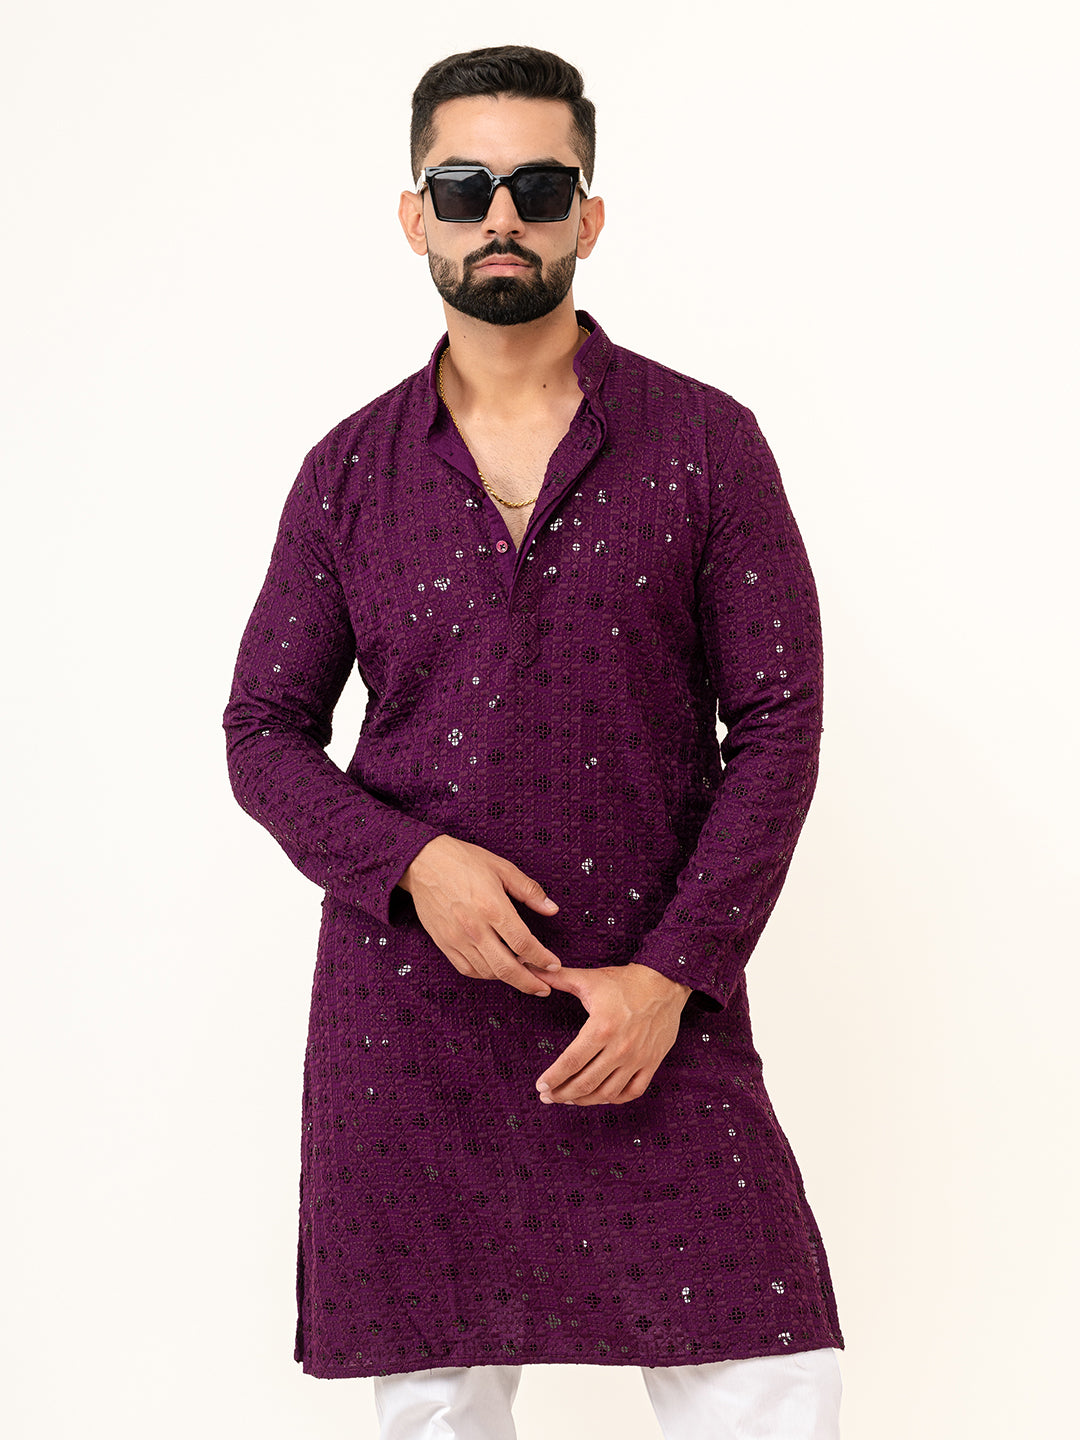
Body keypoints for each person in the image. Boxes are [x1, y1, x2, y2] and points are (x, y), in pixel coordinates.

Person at [222, 42, 844, 1440]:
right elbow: (262, 730)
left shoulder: (705, 443)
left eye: (539, 186)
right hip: (412, 1024)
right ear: (415, 215)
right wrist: (412, 864)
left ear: (588, 216)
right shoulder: (347, 473)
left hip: (652, 1007)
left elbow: (779, 721)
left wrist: (673, 976)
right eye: (464, 186)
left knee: (772, 1382)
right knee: (438, 1407)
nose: (500, 215)